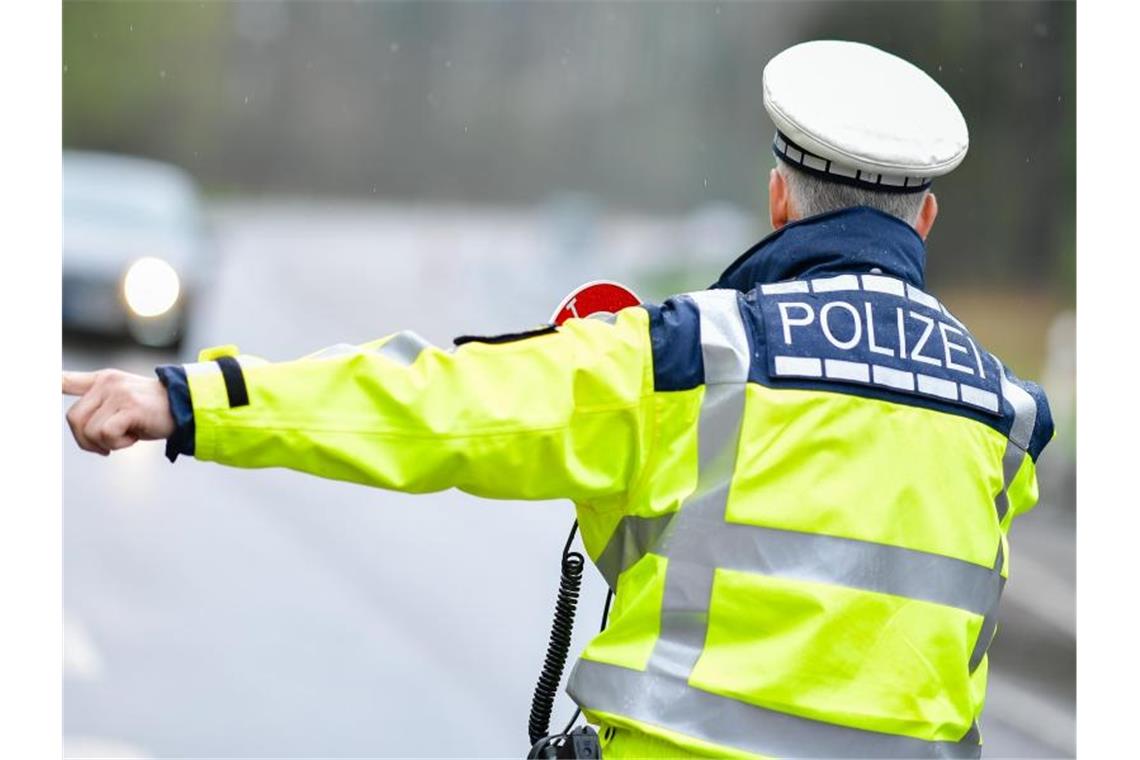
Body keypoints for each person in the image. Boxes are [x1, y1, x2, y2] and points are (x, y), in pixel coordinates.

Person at [63, 40, 1053, 759]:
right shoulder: (1007, 415)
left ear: (779, 199)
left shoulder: (689, 356)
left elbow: (439, 406)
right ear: (925, 216)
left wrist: (192, 399)